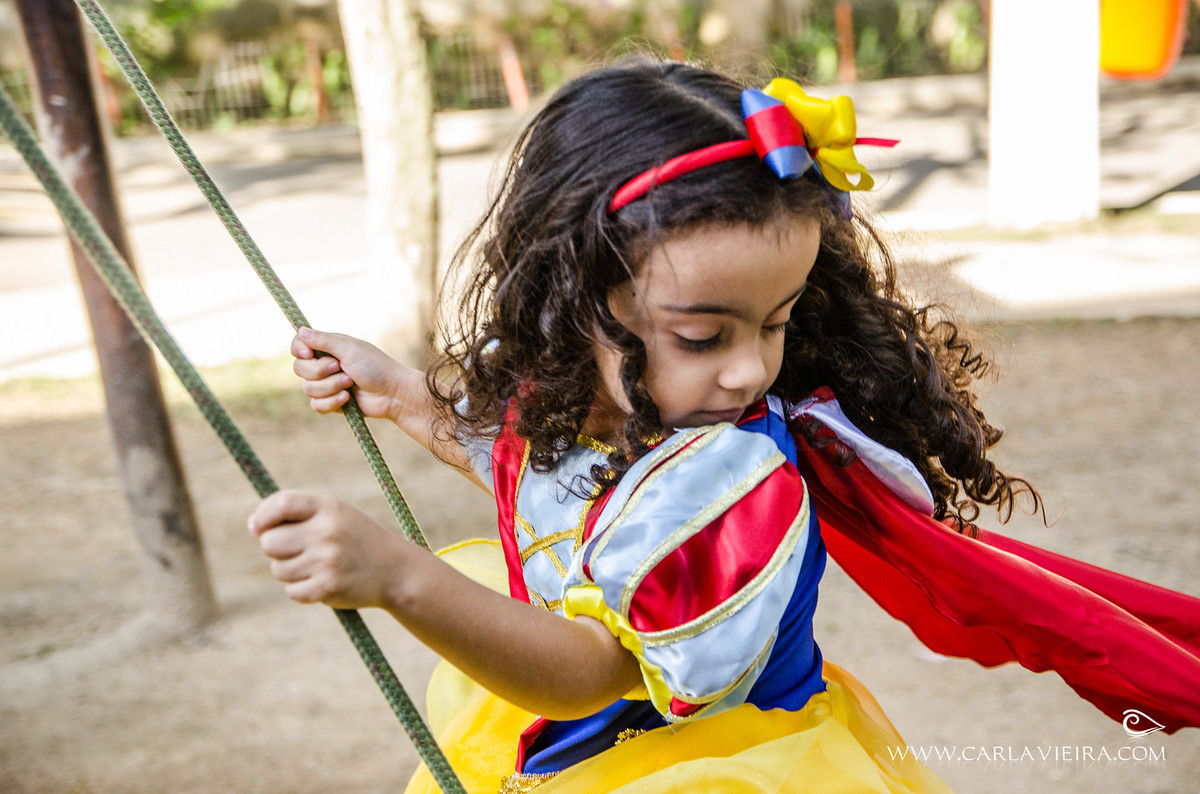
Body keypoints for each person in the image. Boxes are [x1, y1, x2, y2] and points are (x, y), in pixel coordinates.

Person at [248, 59, 1200, 793]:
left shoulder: (731, 484)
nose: (748, 369)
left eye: (776, 323)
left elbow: (591, 671)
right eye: (704, 335)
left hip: (716, 766)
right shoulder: (613, 415)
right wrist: (404, 396)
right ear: (568, 300)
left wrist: (403, 579)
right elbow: (547, 491)